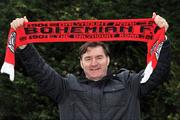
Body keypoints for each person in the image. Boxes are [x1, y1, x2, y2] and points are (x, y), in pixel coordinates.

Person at [11, 12, 170, 120]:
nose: (94, 63)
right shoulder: (66, 88)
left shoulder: (129, 84)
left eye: (99, 57)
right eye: (88, 58)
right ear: (81, 62)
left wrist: (160, 37)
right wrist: (24, 43)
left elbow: (158, 71)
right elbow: (40, 71)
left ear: (108, 59)